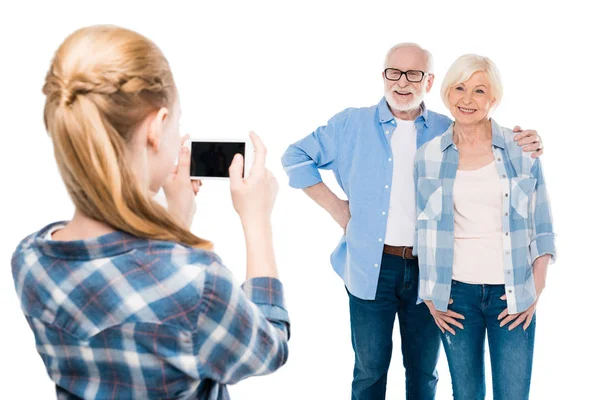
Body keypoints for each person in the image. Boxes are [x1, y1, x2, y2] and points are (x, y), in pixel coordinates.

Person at [11, 25, 289, 400]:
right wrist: (257, 221)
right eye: (175, 122)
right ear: (157, 129)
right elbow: (268, 347)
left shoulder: (29, 260)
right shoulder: (199, 283)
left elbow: (134, 297)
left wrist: (174, 222)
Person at [281, 43, 543, 400]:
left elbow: (487, 145)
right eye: (394, 72)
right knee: (370, 370)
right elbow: (295, 157)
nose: (402, 82)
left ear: (430, 81)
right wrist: (336, 207)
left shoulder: (446, 129)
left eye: (414, 74)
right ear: (384, 75)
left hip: (430, 270)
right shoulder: (351, 123)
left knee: (423, 371)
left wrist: (528, 142)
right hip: (370, 266)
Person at [414, 54, 556, 399]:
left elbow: (542, 225)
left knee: (512, 394)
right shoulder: (428, 156)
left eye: (479, 91)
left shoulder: (521, 149)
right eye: (460, 88)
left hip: (511, 293)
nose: (467, 99)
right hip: (456, 295)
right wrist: (431, 296)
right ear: (447, 93)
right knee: (466, 395)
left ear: (493, 98)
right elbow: (425, 231)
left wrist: (535, 289)